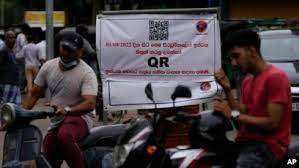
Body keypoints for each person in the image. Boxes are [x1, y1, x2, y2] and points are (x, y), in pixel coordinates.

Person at [213, 29, 291, 168]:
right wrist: (227, 89)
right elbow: (242, 113)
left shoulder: (275, 77)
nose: (234, 63)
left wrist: (231, 114)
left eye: (236, 56)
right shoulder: (248, 81)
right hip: (246, 142)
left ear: (252, 51)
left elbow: (272, 123)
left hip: (268, 146)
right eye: (231, 58)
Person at [22, 32, 98, 168]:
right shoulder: (48, 66)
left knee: (65, 135)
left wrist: (68, 110)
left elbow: (90, 103)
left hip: (81, 117)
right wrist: (20, 115)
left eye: (71, 50)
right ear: (60, 46)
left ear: (80, 52)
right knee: (48, 149)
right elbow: (34, 94)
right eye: (64, 47)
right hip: (57, 120)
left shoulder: (87, 73)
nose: (66, 52)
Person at [0, 30, 21, 107]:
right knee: (6, 107)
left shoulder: (10, 51)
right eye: (10, 38)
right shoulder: (3, 51)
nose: (13, 40)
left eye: (14, 37)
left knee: (14, 107)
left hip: (14, 84)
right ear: (5, 39)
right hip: (7, 83)